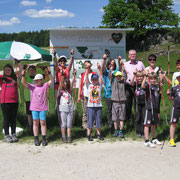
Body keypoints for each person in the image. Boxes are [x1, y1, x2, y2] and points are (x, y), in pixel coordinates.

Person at [21, 67, 54, 146]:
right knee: (35, 122)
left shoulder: (45, 86)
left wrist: (49, 73)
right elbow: (23, 82)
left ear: (42, 80)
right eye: (35, 80)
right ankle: (36, 138)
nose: (36, 81)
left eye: (38, 80)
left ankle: (44, 138)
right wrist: (23, 75)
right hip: (34, 108)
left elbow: (52, 81)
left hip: (42, 107)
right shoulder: (32, 86)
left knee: (43, 122)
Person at [0, 59, 22, 143]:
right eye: (5, 70)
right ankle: (6, 135)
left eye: (9, 70)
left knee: (13, 119)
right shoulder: (2, 79)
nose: (7, 71)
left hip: (14, 101)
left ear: (11, 70)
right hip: (5, 102)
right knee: (6, 119)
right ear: (3, 71)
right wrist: (4, 77)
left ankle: (13, 134)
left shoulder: (15, 78)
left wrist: (19, 62)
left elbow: (21, 71)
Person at [53, 49, 74, 127]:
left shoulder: (67, 69)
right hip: (58, 89)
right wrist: (54, 55)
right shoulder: (57, 69)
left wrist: (72, 55)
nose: (62, 63)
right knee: (59, 105)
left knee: (68, 104)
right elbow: (55, 62)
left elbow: (71, 63)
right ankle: (60, 123)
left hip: (67, 90)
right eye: (61, 61)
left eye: (64, 61)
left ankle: (68, 122)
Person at [141, 72, 162, 148]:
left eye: (154, 79)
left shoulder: (157, 87)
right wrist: (145, 77)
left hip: (155, 108)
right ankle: (146, 141)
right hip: (149, 108)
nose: (153, 80)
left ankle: (154, 138)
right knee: (147, 124)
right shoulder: (148, 86)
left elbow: (158, 99)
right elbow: (142, 86)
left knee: (154, 124)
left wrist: (158, 111)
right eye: (151, 79)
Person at [101, 51, 121, 127]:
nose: (111, 65)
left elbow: (120, 69)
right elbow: (102, 68)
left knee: (116, 109)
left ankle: (117, 124)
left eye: (113, 64)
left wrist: (119, 61)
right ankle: (110, 124)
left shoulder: (116, 72)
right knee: (109, 109)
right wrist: (104, 59)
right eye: (110, 64)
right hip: (107, 94)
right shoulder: (106, 72)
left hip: (115, 93)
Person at [124, 50, 145, 121]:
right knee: (127, 102)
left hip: (138, 85)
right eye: (131, 54)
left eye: (134, 54)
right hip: (128, 86)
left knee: (137, 102)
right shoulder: (125, 64)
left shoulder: (140, 63)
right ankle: (128, 118)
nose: (133, 55)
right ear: (128, 56)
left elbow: (144, 72)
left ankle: (138, 118)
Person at [86, 63, 104, 141]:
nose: (95, 80)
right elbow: (86, 78)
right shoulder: (89, 85)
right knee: (90, 120)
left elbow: (101, 78)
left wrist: (99, 69)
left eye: (96, 79)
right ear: (91, 80)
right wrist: (87, 70)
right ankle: (89, 134)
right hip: (90, 106)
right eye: (93, 79)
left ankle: (99, 134)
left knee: (98, 120)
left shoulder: (99, 86)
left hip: (98, 106)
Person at [58, 69, 76, 143]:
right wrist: (62, 76)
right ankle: (63, 136)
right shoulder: (60, 90)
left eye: (66, 83)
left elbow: (72, 82)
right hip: (63, 109)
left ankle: (69, 137)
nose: (65, 84)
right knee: (63, 124)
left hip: (70, 109)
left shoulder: (70, 90)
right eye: (64, 83)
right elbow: (61, 83)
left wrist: (74, 75)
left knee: (69, 123)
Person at [77, 60, 97, 129]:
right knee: (85, 111)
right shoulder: (82, 75)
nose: (86, 66)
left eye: (88, 65)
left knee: (93, 110)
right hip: (84, 95)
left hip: (92, 95)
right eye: (85, 65)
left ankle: (93, 124)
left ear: (90, 65)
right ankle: (85, 124)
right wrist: (78, 96)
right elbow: (80, 86)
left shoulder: (94, 74)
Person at [111, 71, 126, 138]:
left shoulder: (123, 82)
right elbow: (110, 77)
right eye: (117, 76)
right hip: (114, 102)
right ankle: (116, 130)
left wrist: (122, 65)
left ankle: (121, 130)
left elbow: (125, 76)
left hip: (122, 102)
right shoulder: (113, 82)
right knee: (115, 118)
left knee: (121, 117)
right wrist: (112, 72)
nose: (118, 77)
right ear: (115, 77)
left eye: (119, 76)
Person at [130, 70, 146, 137]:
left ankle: (143, 132)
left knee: (143, 117)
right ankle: (138, 131)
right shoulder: (135, 84)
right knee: (138, 117)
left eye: (141, 77)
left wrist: (145, 77)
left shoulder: (145, 84)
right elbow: (131, 83)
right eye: (138, 77)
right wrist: (134, 75)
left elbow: (143, 86)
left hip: (144, 103)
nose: (139, 78)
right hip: (137, 103)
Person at [167, 72, 180, 147]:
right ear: (178, 79)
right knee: (173, 123)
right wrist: (168, 94)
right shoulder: (174, 88)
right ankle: (172, 139)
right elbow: (171, 99)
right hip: (176, 108)